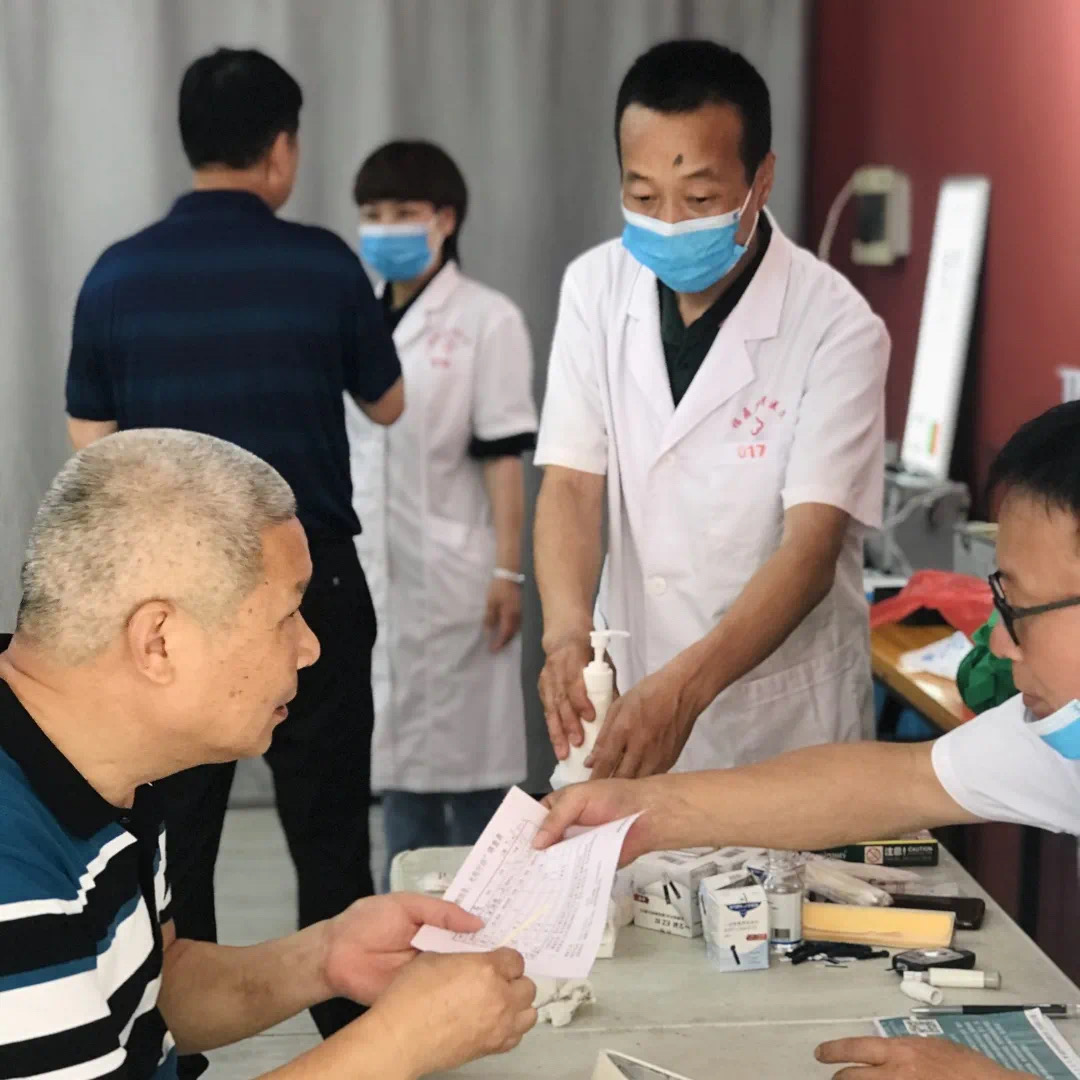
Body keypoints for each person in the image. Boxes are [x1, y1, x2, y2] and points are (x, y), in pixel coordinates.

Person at [536, 403, 1080, 1078]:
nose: (998, 643)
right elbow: (898, 781)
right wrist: (642, 812)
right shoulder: (1059, 738)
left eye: (1016, 607)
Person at [0, 430, 536, 1080]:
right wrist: (398, 1044)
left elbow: (151, 990)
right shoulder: (13, 879)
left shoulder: (101, 758)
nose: (310, 648)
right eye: (287, 615)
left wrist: (328, 955)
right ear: (159, 642)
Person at [63, 48, 403, 1054]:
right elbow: (388, 402)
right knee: (330, 833)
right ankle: (359, 1043)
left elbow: (91, 452)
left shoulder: (117, 274)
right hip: (310, 593)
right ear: (281, 148)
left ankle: (181, 1041)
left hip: (177, 612)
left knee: (175, 843)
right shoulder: (325, 265)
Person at [534, 39, 890, 780]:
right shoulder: (595, 288)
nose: (668, 222)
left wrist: (688, 688)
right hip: (629, 695)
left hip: (779, 723)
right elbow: (570, 483)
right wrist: (565, 635)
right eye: (642, 197)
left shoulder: (836, 326)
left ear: (762, 180)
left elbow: (810, 550)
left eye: (698, 199)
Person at [347, 141, 538, 884]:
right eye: (372, 213)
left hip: (460, 574)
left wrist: (507, 572)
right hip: (376, 569)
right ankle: (408, 931)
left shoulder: (488, 319)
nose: (385, 227)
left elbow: (503, 456)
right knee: (400, 778)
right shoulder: (352, 314)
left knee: (474, 783)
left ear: (446, 219)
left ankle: (497, 923)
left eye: (404, 211)